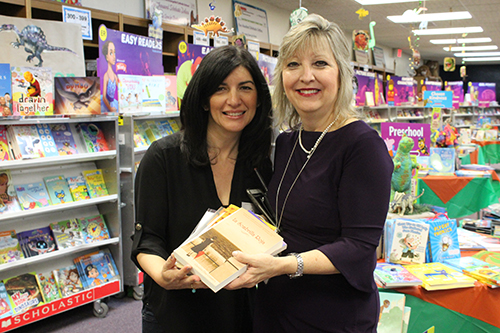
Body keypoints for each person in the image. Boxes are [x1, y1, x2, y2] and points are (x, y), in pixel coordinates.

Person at [226, 14, 393, 332]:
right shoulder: (288, 141)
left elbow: (359, 246)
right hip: (276, 308)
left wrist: (284, 265)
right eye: (293, 65)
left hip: (332, 316)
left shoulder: (362, 146)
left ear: (341, 73)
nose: (306, 77)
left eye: (319, 63)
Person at [131, 45, 273, 333]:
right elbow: (148, 239)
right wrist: (163, 274)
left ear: (258, 97)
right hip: (177, 313)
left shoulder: (262, 164)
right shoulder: (163, 158)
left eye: (245, 88)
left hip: (242, 312)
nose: (234, 100)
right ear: (205, 99)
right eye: (221, 88)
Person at [101, 40, 118, 112]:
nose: (114, 56)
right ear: (107, 57)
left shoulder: (115, 76)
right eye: (111, 53)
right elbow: (104, 97)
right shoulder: (106, 76)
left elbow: (121, 91)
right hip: (106, 105)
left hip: (113, 103)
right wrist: (110, 108)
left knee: (120, 119)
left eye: (114, 52)